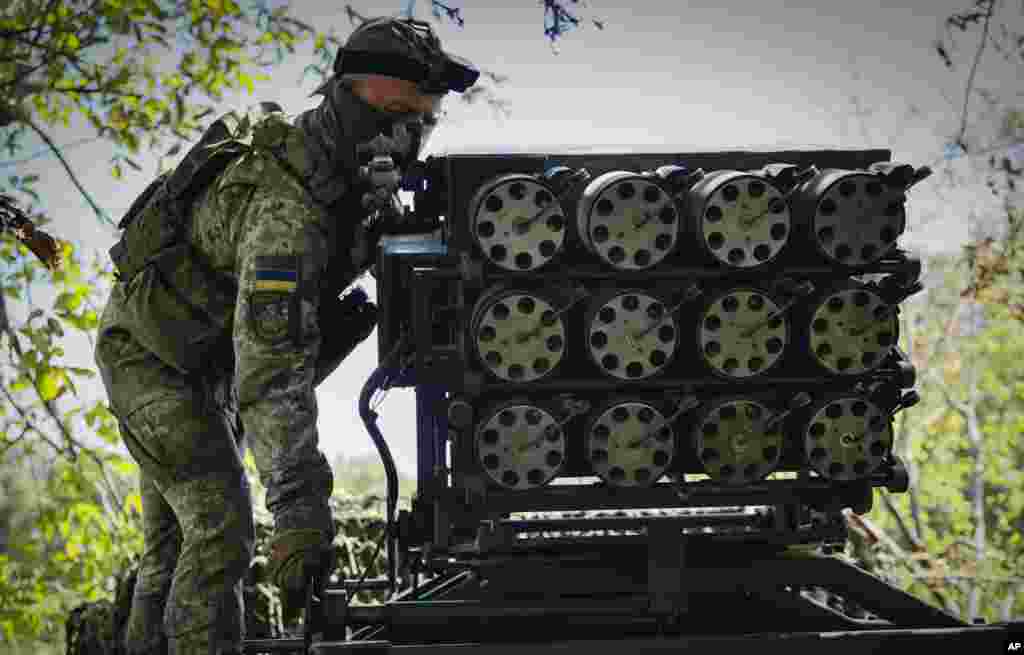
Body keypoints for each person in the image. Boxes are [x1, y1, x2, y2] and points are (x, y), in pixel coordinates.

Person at [93, 16, 478, 655]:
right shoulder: (286, 210)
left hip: (206, 361)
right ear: (356, 111)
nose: (411, 139)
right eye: (399, 119)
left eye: (424, 123)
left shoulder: (350, 182)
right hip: (154, 361)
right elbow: (272, 369)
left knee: (173, 549)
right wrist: (301, 513)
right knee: (220, 530)